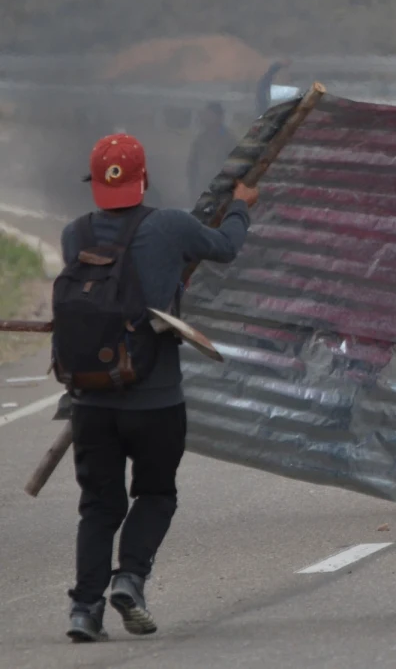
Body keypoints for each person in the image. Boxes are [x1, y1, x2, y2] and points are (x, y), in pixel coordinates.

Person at [57, 134, 257, 642]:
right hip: (156, 398)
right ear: (143, 179)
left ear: (96, 184)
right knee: (156, 493)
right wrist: (240, 206)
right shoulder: (169, 226)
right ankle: (130, 578)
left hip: (91, 401)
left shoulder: (73, 235)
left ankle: (84, 610)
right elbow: (227, 249)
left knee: (98, 506)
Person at [187, 102, 238, 200]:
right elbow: (192, 166)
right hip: (202, 188)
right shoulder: (200, 140)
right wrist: (192, 189)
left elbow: (235, 166)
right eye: (206, 115)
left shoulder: (229, 140)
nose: (206, 119)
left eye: (210, 115)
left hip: (222, 190)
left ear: (219, 117)